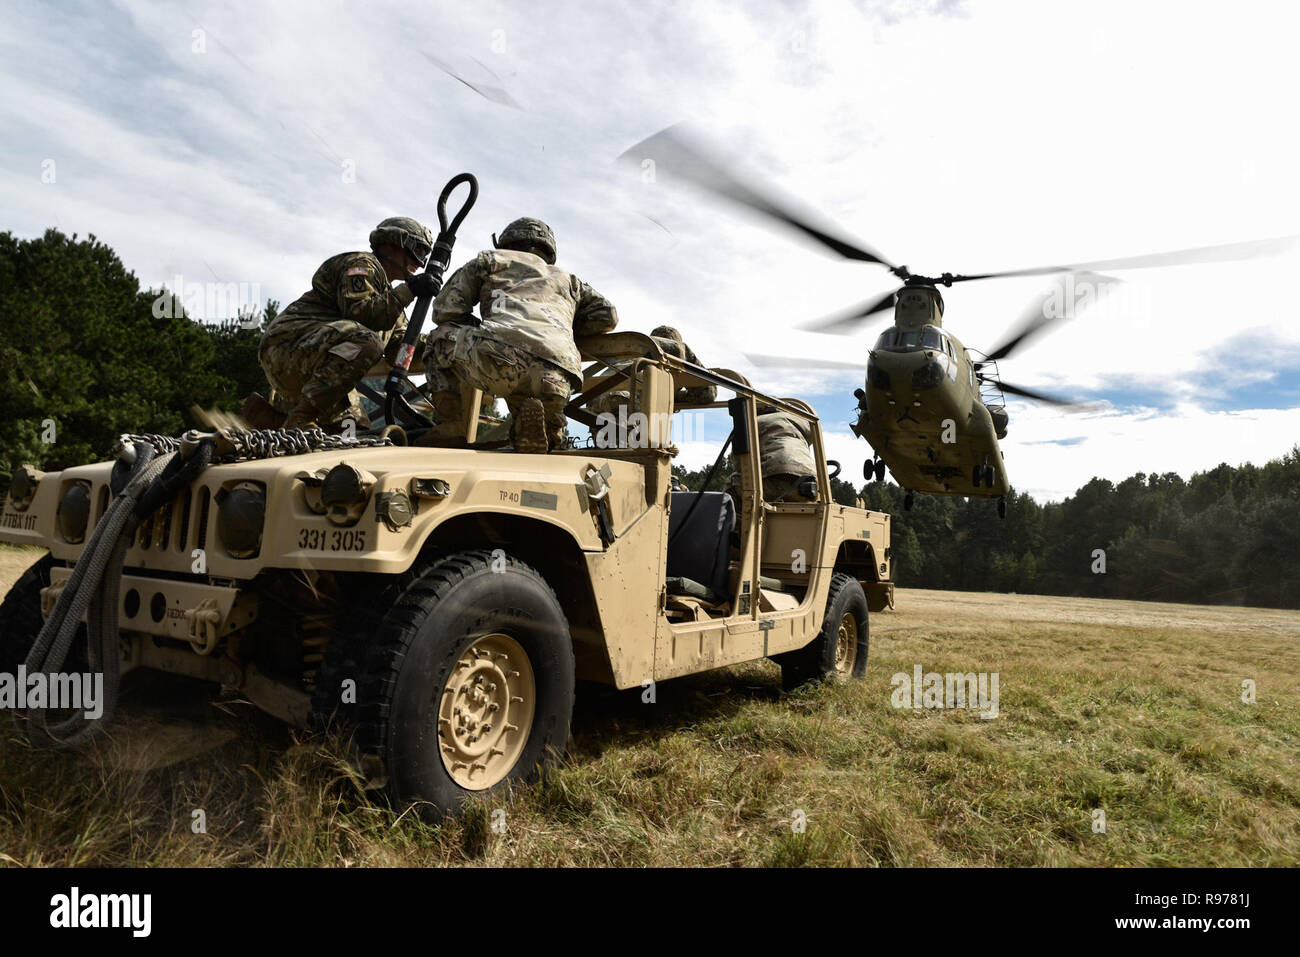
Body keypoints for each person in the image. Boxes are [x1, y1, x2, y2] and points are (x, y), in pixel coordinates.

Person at [422, 217, 618, 452]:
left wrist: (480, 329)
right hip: (559, 374)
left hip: (502, 358)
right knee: (533, 415)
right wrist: (560, 328)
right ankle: (550, 429)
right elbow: (608, 315)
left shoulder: (491, 260)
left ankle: (450, 428)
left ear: (506, 242)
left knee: (438, 339)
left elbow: (445, 310)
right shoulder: (569, 280)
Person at [259, 216, 438, 430]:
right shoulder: (362, 265)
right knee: (368, 341)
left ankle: (272, 418)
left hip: (317, 366)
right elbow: (362, 314)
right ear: (392, 244)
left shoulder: (390, 298)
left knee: (353, 430)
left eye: (425, 256)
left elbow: (397, 348)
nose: (420, 263)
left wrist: (443, 340)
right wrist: (410, 291)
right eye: (418, 251)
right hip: (288, 348)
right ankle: (298, 420)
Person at [728, 407, 819, 504]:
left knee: (731, 485)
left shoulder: (751, 422)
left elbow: (739, 459)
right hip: (808, 484)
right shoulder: (798, 419)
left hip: (774, 482)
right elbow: (811, 437)